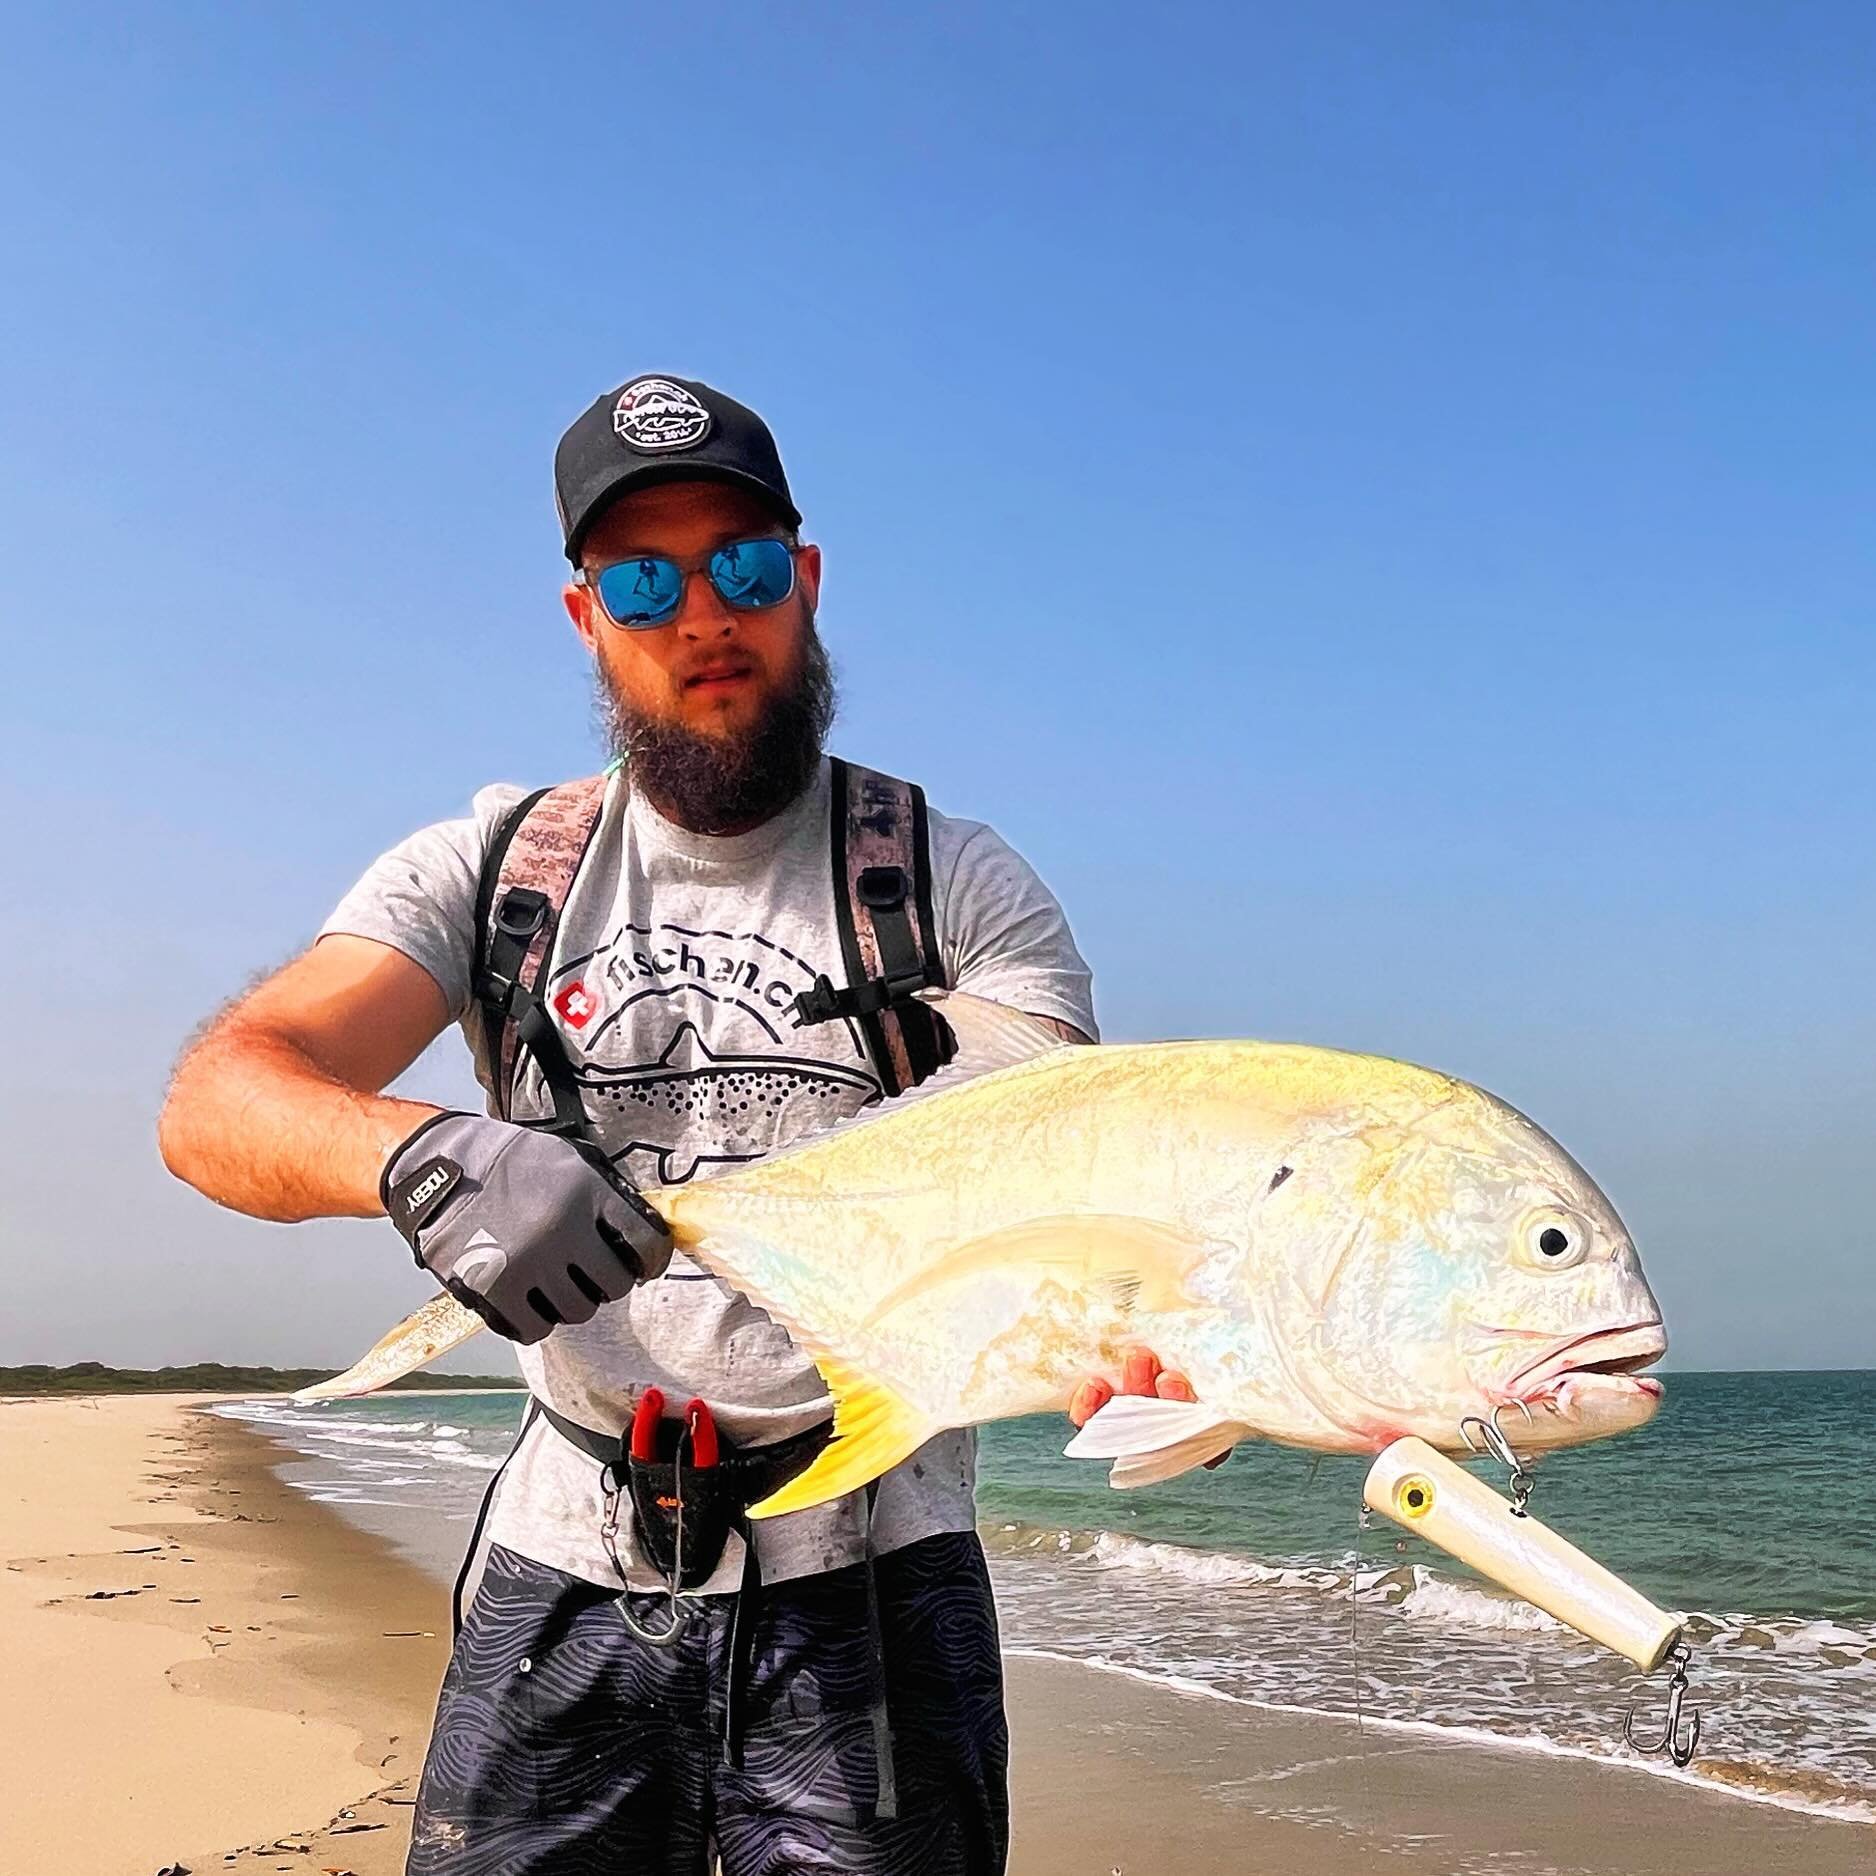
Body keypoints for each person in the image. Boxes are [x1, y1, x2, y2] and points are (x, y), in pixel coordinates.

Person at [158, 374, 1191, 1876]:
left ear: (807, 585)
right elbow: (219, 1099)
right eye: (646, 578)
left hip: (877, 1574)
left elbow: (1061, 1166)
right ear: (587, 618)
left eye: (744, 565)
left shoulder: (956, 886)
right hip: (570, 1558)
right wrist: (424, 1157)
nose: (704, 613)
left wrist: (1154, 1350)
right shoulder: (500, 870)